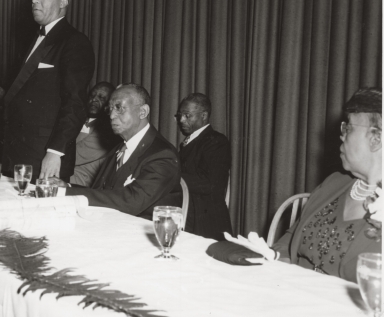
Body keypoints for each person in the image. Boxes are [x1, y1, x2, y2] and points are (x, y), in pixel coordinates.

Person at [208, 88, 382, 283]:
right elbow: (290, 241)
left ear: (376, 139)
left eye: (348, 127)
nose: (341, 135)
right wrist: (272, 256)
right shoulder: (334, 183)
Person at [2, 0, 95, 183]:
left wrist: (55, 152)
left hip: (44, 158)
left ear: (63, 3)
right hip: (16, 154)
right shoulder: (33, 39)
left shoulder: (74, 42)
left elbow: (76, 103)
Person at [60, 84, 181, 219]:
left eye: (119, 108)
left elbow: (130, 201)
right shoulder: (118, 149)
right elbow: (101, 193)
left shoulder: (162, 155)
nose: (111, 115)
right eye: (110, 109)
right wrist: (67, 186)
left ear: (143, 112)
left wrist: (66, 193)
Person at [175, 93, 232, 240]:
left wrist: (169, 175)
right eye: (180, 115)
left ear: (204, 115)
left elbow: (211, 184)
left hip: (205, 221)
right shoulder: (191, 141)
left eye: (187, 115)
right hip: (189, 211)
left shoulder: (217, 142)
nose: (181, 120)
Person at [69, 82, 121, 186]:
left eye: (101, 98)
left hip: (77, 184)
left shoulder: (107, 130)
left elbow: (73, 155)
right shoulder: (76, 120)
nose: (94, 100)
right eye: (92, 96)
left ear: (109, 104)